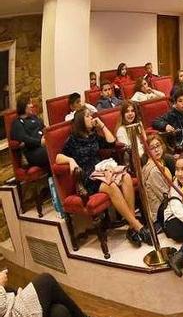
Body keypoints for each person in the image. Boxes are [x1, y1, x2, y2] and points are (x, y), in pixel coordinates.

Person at [56, 109, 148, 246]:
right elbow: (58, 157)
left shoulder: (93, 135)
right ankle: (137, 226)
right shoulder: (73, 140)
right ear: (81, 121)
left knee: (126, 177)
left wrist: (102, 125)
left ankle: (131, 226)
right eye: (88, 116)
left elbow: (111, 142)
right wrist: (70, 160)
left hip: (102, 169)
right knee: (111, 186)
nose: (91, 118)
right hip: (88, 177)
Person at [10, 96, 49, 169]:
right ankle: (52, 177)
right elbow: (24, 138)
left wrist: (47, 136)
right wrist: (40, 142)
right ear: (23, 106)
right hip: (33, 152)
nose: (32, 105)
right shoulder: (17, 123)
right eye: (29, 103)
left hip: (43, 146)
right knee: (50, 151)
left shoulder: (34, 118)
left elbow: (45, 129)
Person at [141, 134, 172, 224]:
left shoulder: (160, 162)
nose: (157, 150)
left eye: (158, 146)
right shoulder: (154, 170)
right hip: (160, 214)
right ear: (147, 152)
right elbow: (165, 196)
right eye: (152, 148)